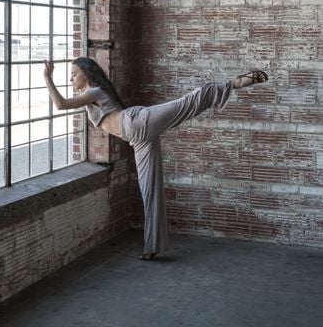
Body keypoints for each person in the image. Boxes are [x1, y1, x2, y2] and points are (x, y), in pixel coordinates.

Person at [44, 57, 268, 261]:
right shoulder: (87, 97)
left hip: (138, 121)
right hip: (138, 140)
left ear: (87, 73)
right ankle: (152, 247)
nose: (71, 77)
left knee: (187, 103)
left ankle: (234, 84)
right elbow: (69, 104)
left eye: (74, 73)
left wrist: (47, 77)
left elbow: (60, 104)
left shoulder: (94, 91)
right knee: (149, 189)